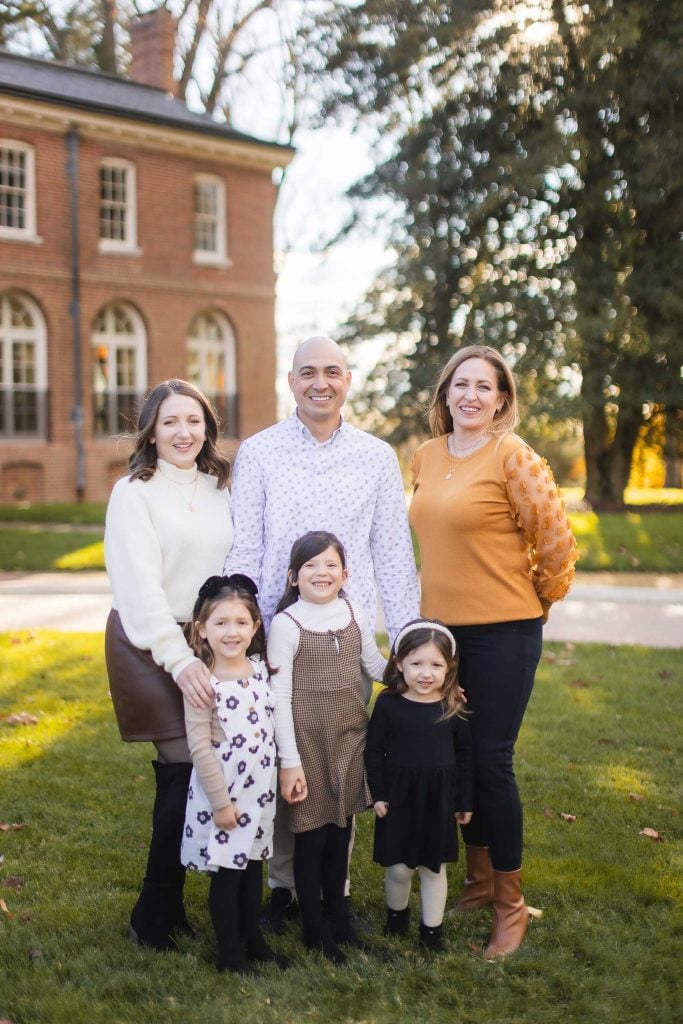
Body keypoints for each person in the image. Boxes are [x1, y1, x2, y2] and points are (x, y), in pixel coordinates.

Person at [224, 334, 420, 927]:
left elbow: (391, 553)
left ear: (348, 380)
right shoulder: (259, 453)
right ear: (291, 381)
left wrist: (409, 643)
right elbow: (247, 545)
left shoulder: (375, 457)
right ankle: (285, 887)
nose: (321, 383)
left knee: (341, 762)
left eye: (332, 371)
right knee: (286, 757)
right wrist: (241, 630)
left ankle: (331, 889)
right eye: (308, 372)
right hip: (280, 635)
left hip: (347, 640)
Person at [409, 344, 578, 959]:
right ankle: (478, 882)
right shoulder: (424, 456)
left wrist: (533, 604)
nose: (471, 396)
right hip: (443, 637)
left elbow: (556, 544)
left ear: (502, 398)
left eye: (485, 386)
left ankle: (510, 904)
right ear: (446, 394)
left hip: (506, 630)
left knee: (492, 760)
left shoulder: (514, 455)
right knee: (458, 756)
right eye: (461, 385)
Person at [104, 379, 233, 952]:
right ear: (151, 432)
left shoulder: (220, 488)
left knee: (189, 776)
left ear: (207, 428)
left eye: (194, 421)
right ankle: (153, 911)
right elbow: (138, 587)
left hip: (205, 642)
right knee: (183, 765)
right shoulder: (133, 492)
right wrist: (178, 658)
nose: (183, 433)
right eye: (170, 422)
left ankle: (167, 906)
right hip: (148, 640)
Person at [267, 531, 387, 964]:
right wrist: (289, 761)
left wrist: (419, 676)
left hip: (349, 737)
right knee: (311, 834)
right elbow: (279, 696)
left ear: (345, 573)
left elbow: (372, 664)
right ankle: (314, 930)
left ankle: (339, 918)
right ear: (293, 577)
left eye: (330, 564)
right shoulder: (287, 624)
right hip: (306, 743)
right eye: (311, 566)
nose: (322, 572)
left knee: (341, 831)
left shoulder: (352, 610)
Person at [181, 574, 285, 974]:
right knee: (227, 875)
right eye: (221, 623)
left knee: (252, 867)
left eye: (241, 622)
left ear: (256, 627)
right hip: (224, 794)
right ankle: (229, 953)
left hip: (258, 793)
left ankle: (253, 940)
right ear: (202, 629)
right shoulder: (202, 684)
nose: (232, 632)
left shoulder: (260, 670)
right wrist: (221, 804)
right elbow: (200, 748)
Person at [364, 620, 473, 954]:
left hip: (438, 800)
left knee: (432, 867)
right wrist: (379, 794)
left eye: (436, 665)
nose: (426, 673)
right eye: (416, 664)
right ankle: (396, 917)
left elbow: (466, 757)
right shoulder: (388, 704)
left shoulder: (453, 706)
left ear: (449, 667)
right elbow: (373, 750)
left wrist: (463, 800)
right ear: (399, 663)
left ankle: (431, 931)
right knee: (399, 868)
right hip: (399, 797)